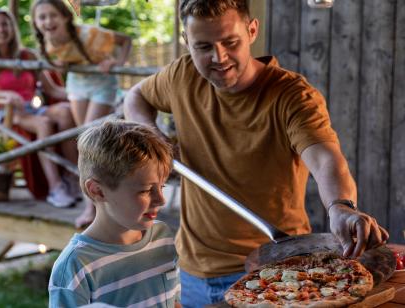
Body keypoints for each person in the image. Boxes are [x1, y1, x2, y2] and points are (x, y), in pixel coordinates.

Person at [123, 0, 390, 306]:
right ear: (187, 41)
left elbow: (325, 157)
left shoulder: (293, 96)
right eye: (204, 46)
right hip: (190, 270)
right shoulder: (181, 76)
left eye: (230, 42)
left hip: (276, 270)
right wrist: (151, 134)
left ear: (251, 31)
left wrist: (341, 206)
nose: (218, 57)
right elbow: (137, 96)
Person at [49, 120, 181, 308]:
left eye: (162, 187)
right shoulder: (75, 266)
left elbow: (173, 302)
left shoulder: (162, 236)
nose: (161, 200)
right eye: (144, 190)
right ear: (97, 191)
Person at [30, 0, 132, 228]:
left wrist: (117, 62)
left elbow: (125, 40)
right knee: (84, 143)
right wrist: (61, 65)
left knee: (88, 142)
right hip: (77, 83)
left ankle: (91, 208)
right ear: (36, 23)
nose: (48, 21)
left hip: (101, 83)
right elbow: (54, 68)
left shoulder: (89, 34)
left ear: (66, 16)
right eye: (42, 17)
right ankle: (96, 201)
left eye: (53, 15)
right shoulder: (47, 43)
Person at [0, 8, 78, 208]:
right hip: (7, 113)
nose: (1, 30)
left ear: (12, 28)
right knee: (44, 123)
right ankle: (55, 187)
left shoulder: (28, 56)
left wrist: (79, 96)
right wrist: (7, 95)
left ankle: (71, 175)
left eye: (5, 25)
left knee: (66, 110)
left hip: (31, 108)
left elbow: (52, 89)